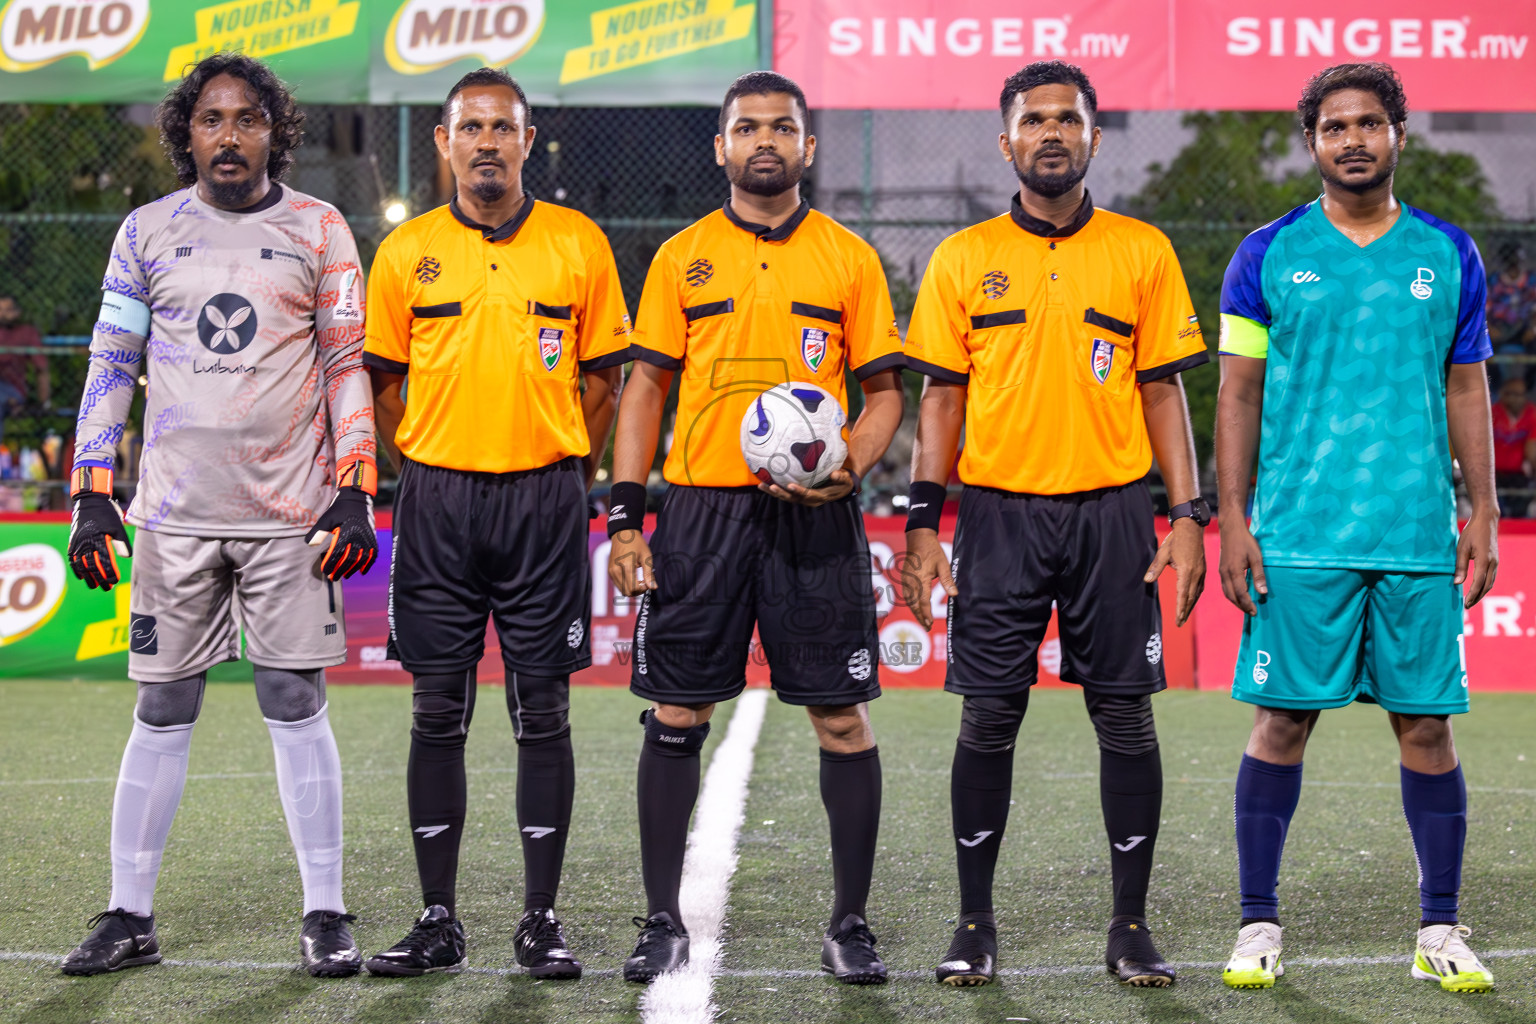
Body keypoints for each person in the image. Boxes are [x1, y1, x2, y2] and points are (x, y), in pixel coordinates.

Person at [61, 53, 377, 978]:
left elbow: (344, 363)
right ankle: (129, 913)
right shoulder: (145, 231)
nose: (229, 135)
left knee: (294, 698)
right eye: (210, 120)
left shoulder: (320, 228)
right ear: (186, 133)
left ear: (277, 130)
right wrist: (91, 493)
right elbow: (112, 365)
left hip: (291, 514)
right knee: (162, 703)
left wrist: (355, 484)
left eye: (246, 119)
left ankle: (325, 911)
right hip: (173, 516)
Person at [901, 60, 1209, 989]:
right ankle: (973, 923)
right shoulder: (960, 259)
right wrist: (922, 525)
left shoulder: (1142, 252)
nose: (1049, 132)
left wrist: (1188, 514)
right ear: (1006, 141)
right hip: (997, 518)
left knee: (1125, 718)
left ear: (1092, 137)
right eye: (1032, 119)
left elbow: (1163, 393)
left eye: (1066, 119)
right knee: (989, 719)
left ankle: (1130, 925)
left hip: (1114, 515)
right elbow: (940, 406)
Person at [606, 70, 905, 985]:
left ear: (807, 147)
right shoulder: (679, 258)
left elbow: (888, 391)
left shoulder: (849, 259)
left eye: (782, 127)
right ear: (722, 148)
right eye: (747, 128)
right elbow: (645, 389)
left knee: (842, 720)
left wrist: (849, 458)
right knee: (676, 714)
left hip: (817, 518)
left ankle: (849, 924)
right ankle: (661, 920)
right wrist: (627, 517)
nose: (764, 140)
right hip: (701, 516)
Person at [1216, 63, 1499, 994]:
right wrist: (1232, 516)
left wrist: (1484, 509)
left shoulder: (1449, 254)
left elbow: (1466, 386)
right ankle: (1258, 925)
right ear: (1313, 143)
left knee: (1428, 732)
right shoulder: (1265, 254)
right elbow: (1239, 393)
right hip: (1297, 535)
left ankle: (1440, 930)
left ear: (1399, 135)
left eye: (1370, 123)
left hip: (1416, 535)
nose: (1353, 139)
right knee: (1282, 724)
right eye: (1334, 126)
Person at [360, 68, 630, 980]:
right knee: (437, 708)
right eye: (468, 127)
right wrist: (430, 458)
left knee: (541, 709)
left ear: (526, 140)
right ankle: (437, 918)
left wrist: (564, 466)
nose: (485, 142)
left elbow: (603, 381)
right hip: (436, 501)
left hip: (545, 499)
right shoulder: (405, 255)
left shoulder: (579, 243)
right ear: (443, 142)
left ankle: (539, 918)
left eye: (501, 128)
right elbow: (384, 382)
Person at [0, 294, 49, 438]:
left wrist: (44, 401)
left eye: (7, 310)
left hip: (13, 389)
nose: (2, 314)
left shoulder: (26, 333)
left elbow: (41, 368)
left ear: (17, 312)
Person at [1492, 376, 1536, 517]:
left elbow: (1532, 450)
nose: (1518, 398)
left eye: (1521, 394)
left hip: (1519, 475)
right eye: (1513, 394)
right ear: (1503, 394)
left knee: (1520, 512)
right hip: (1493, 474)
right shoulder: (1492, 413)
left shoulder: (1532, 414)